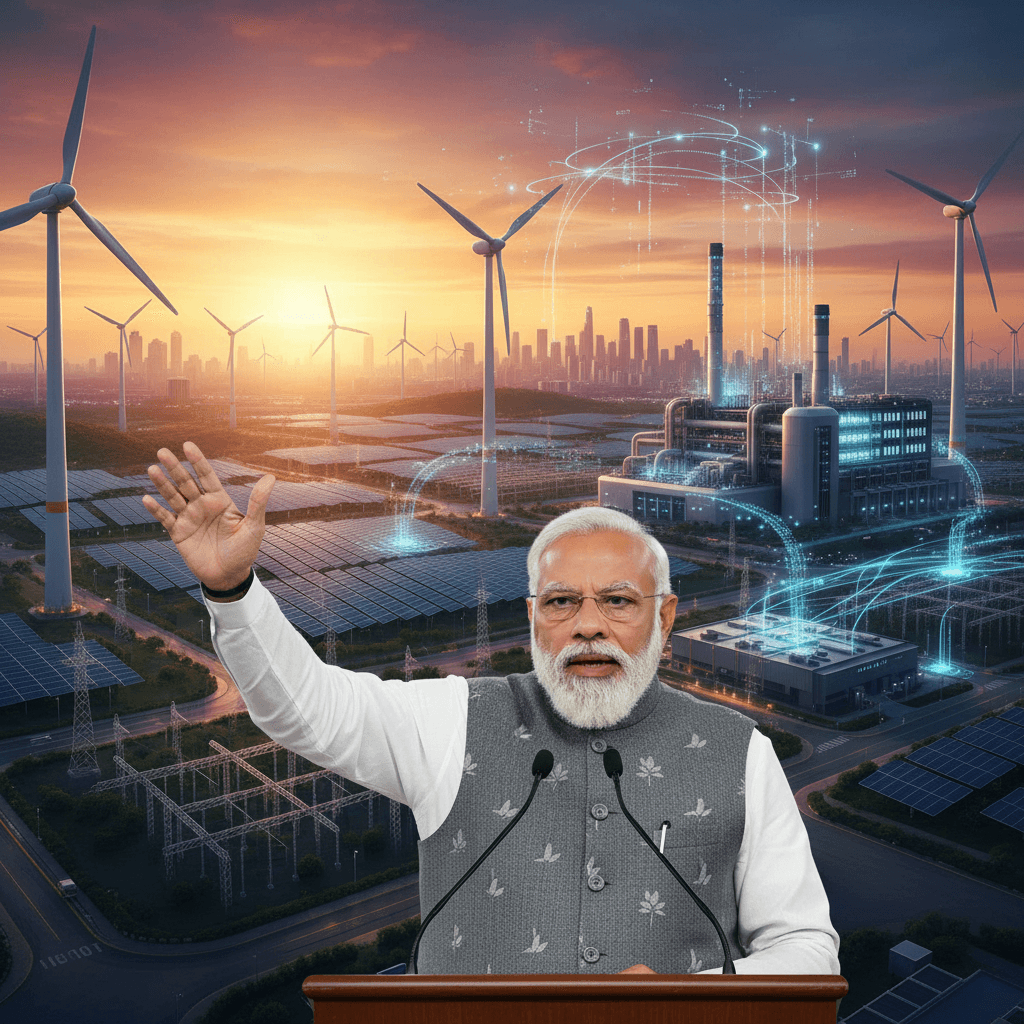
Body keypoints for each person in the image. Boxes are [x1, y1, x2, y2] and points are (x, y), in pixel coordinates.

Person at [143, 442, 840, 976]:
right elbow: (307, 709)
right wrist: (234, 591)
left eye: (619, 601)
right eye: (563, 601)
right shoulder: (454, 720)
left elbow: (807, 947)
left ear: (665, 618)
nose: (588, 625)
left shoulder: (738, 750)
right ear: (534, 617)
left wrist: (691, 997)